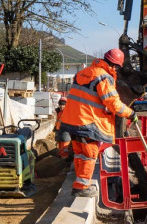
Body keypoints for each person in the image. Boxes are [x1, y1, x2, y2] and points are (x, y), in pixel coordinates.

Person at [57, 48, 137, 197]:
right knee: (89, 153)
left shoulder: (83, 72)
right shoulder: (104, 77)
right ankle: (81, 187)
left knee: (80, 153)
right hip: (87, 122)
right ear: (115, 66)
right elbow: (113, 103)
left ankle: (79, 185)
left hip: (70, 120)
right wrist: (130, 113)